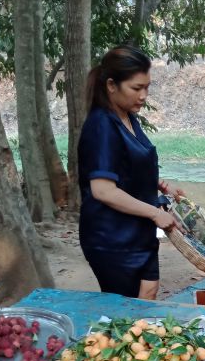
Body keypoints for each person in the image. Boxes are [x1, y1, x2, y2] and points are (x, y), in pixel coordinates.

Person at [78, 45, 184, 299]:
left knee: (148, 292)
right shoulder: (101, 125)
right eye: (137, 88)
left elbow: (128, 165)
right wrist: (154, 213)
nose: (144, 95)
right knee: (127, 309)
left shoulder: (128, 117)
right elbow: (103, 190)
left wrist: (159, 185)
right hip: (113, 238)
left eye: (147, 87)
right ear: (111, 85)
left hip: (139, 229)